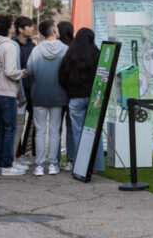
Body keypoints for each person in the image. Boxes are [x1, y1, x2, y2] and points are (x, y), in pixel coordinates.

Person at [26, 20, 68, 176]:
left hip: (39, 94)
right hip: (58, 94)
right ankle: (53, 164)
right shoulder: (65, 50)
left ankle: (39, 166)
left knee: (40, 130)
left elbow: (29, 70)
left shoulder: (36, 50)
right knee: (55, 131)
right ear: (55, 30)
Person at [59, 27, 104, 172]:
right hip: (93, 99)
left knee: (78, 132)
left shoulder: (70, 54)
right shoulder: (97, 54)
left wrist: (70, 90)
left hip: (75, 99)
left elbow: (62, 77)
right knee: (94, 132)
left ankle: (81, 165)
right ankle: (96, 165)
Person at [0, 13, 27, 176]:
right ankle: (6, 165)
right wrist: (22, 73)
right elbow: (10, 71)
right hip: (7, 92)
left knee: (2, 129)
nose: (13, 26)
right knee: (10, 129)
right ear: (7, 27)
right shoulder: (9, 46)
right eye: (11, 24)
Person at [14, 16, 36, 163]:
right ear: (21, 29)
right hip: (17, 92)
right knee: (18, 124)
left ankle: (26, 152)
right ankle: (16, 154)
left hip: (32, 90)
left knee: (35, 121)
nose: (32, 28)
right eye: (29, 26)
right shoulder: (13, 45)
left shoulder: (32, 46)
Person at [56, 21, 75, 170]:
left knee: (56, 127)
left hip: (56, 92)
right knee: (70, 126)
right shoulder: (74, 48)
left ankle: (55, 159)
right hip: (71, 93)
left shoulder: (56, 47)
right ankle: (70, 159)